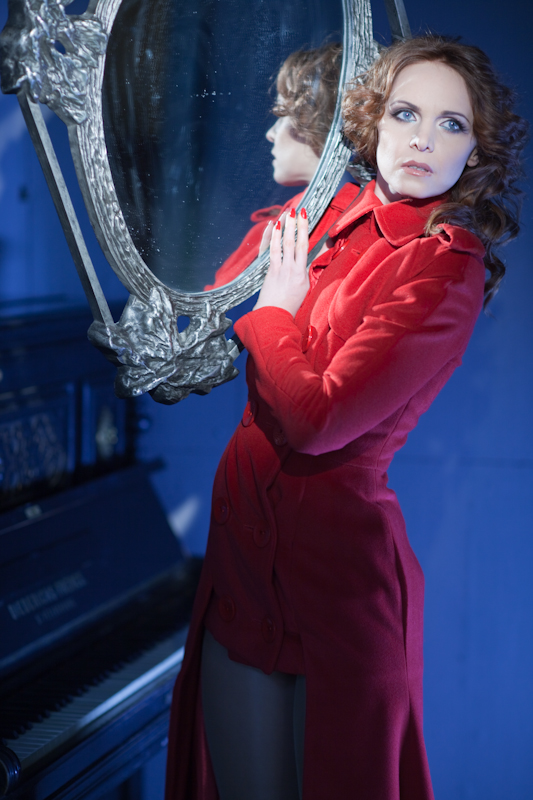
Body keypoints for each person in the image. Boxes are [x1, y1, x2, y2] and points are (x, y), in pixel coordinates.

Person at [165, 35, 528, 800]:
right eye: (404, 113)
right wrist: (314, 165)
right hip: (240, 567)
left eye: (451, 124)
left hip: (336, 586)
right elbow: (218, 291)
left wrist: (275, 317)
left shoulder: (443, 266)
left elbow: (316, 422)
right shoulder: (330, 216)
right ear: (368, 122)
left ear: (476, 150)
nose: (422, 139)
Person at [204, 43, 342, 290]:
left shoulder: (328, 230)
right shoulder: (295, 222)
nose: (270, 134)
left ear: (318, 120)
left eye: (282, 115)